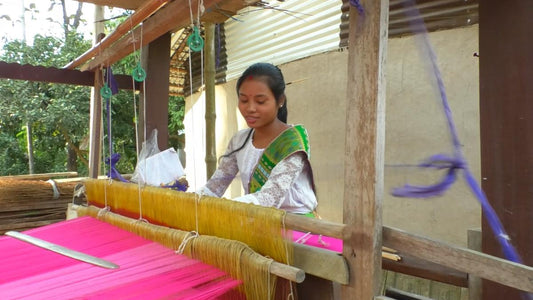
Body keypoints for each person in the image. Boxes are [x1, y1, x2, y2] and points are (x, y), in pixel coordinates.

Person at [197, 62, 317, 215]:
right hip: (256, 219)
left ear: (280, 100)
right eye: (244, 100)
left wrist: (220, 208)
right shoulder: (239, 140)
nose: (250, 108)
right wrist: (186, 200)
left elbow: (268, 200)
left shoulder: (291, 142)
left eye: (260, 101)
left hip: (296, 227)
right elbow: (214, 188)